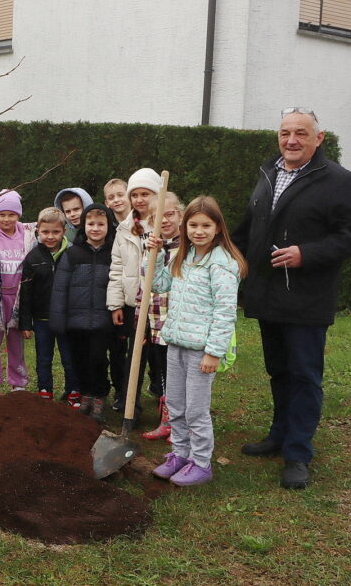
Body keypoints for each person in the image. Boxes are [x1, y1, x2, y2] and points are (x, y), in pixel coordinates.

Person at [232, 108, 351, 489]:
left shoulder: (339, 181)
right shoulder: (268, 174)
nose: (291, 140)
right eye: (285, 133)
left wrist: (305, 253)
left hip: (306, 298)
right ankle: (279, 434)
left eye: (301, 134)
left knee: (305, 376)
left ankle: (298, 453)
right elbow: (247, 229)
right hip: (267, 295)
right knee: (279, 369)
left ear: (318, 138)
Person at [148, 196, 246, 487]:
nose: (198, 231)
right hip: (176, 344)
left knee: (195, 410)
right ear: (184, 226)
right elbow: (158, 285)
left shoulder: (222, 264)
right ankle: (180, 453)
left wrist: (214, 352)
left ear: (218, 228)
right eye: (193, 225)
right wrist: (151, 255)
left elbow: (225, 312)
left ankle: (201, 462)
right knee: (176, 404)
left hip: (202, 351)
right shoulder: (183, 256)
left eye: (205, 225)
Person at [49, 204, 117, 423]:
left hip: (102, 320)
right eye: (90, 224)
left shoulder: (114, 253)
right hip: (75, 320)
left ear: (108, 225)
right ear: (83, 226)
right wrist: (59, 320)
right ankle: (86, 394)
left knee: (98, 359)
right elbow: (60, 288)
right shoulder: (72, 253)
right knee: (80, 359)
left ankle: (99, 396)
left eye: (100, 224)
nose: (95, 228)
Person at [106, 168, 161, 414]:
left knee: (161, 356)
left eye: (145, 194)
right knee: (134, 355)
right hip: (133, 302)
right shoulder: (125, 229)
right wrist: (116, 304)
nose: (139, 199)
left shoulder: (166, 223)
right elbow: (116, 268)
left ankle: (166, 405)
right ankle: (131, 405)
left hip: (161, 303)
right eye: (135, 194)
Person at [0, 189, 37, 396]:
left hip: (19, 296)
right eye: (2, 214)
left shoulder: (29, 233)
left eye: (11, 214)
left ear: (18, 215)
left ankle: (18, 383)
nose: (6, 219)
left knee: (16, 341)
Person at [19, 207, 75, 403]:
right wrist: (25, 323)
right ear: (38, 232)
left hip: (66, 318)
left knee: (69, 357)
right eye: (45, 232)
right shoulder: (33, 258)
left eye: (55, 232)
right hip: (41, 319)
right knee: (44, 358)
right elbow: (25, 292)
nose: (50, 236)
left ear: (64, 231)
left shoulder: (72, 254)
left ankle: (73, 391)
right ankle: (45, 391)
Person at [141, 192, 184, 442]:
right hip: (157, 321)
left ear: (180, 214)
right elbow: (147, 281)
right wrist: (151, 254)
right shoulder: (153, 245)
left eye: (169, 214)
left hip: (180, 323)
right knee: (163, 373)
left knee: (180, 375)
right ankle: (167, 420)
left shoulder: (189, 246)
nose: (164, 221)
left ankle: (182, 423)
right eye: (157, 217)